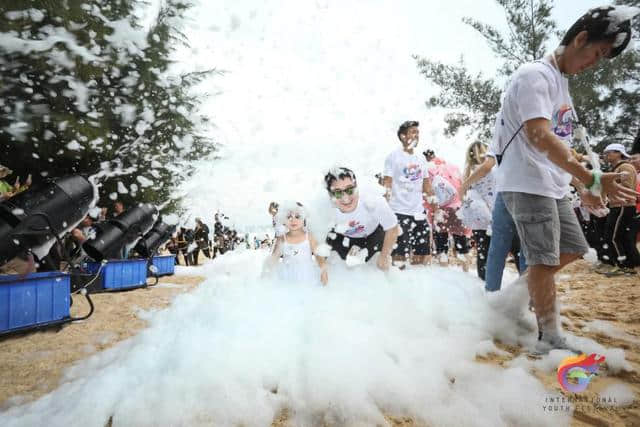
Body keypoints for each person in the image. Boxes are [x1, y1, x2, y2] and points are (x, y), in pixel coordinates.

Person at [494, 6, 638, 351]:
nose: (596, 63)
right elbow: (539, 136)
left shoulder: (561, 84)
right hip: (526, 183)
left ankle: (510, 299)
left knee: (574, 248)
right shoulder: (535, 75)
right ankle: (550, 338)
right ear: (581, 38)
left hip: (551, 183)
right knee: (543, 260)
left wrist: (580, 185)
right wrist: (590, 179)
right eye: (598, 53)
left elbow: (562, 147)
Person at [323, 167, 399, 271]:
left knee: (381, 268)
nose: (345, 197)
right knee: (333, 266)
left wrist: (384, 256)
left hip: (372, 236)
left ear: (356, 188)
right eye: (338, 192)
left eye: (349, 190)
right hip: (341, 237)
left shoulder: (372, 201)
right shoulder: (325, 207)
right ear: (330, 195)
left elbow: (392, 228)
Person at [383, 121, 434, 267]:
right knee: (399, 258)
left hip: (418, 212)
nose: (417, 135)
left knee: (423, 256)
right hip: (399, 212)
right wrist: (385, 207)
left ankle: (418, 285)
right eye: (413, 132)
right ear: (403, 136)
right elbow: (387, 183)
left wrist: (434, 203)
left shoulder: (421, 158)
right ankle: (399, 285)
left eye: (417, 132)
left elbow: (426, 184)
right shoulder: (393, 157)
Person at [597, 143, 640, 275]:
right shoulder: (617, 168)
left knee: (613, 237)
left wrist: (608, 184)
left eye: (609, 152)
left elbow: (626, 187)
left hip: (623, 205)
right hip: (618, 206)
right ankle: (626, 264)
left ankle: (623, 265)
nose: (606, 155)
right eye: (605, 153)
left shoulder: (625, 167)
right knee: (617, 236)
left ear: (618, 153)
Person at [264, 202, 328, 285]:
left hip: (307, 276)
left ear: (304, 219)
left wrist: (323, 271)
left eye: (297, 217)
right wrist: (266, 274)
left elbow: (319, 257)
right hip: (286, 277)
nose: (293, 220)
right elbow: (273, 259)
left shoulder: (309, 237)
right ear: (284, 220)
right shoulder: (282, 239)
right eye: (289, 217)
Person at [427, 152, 470, 270]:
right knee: (462, 244)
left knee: (442, 247)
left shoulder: (428, 169)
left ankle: (445, 274)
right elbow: (462, 187)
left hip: (440, 211)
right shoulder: (453, 167)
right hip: (457, 209)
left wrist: (432, 212)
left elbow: (428, 194)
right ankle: (466, 272)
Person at [459, 141, 496, 280]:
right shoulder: (489, 168)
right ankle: (492, 281)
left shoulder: (470, 170)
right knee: (493, 250)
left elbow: (466, 194)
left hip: (477, 214)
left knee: (482, 249)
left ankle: (483, 279)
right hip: (492, 212)